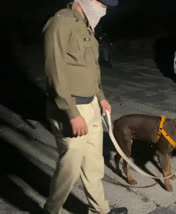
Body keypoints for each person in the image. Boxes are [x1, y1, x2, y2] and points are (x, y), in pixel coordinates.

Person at [42, 0, 128, 213]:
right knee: (68, 171)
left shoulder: (85, 26)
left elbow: (90, 68)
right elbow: (54, 71)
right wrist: (71, 113)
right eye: (100, 2)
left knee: (94, 165)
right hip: (71, 108)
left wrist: (100, 97)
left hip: (91, 106)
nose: (104, 9)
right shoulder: (60, 23)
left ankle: (100, 210)